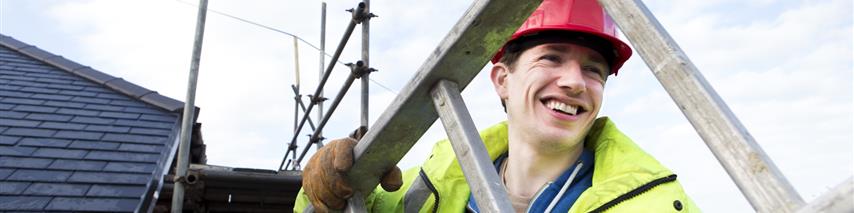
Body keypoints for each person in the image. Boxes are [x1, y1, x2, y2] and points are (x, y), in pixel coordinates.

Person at [295, 0, 699, 212]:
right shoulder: (435, 187)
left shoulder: (654, 204)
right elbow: (334, 205)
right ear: (502, 80)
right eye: (552, 58)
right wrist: (327, 184)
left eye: (594, 70)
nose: (575, 82)